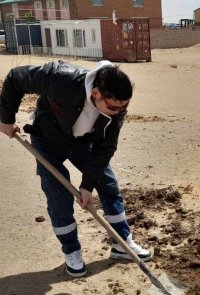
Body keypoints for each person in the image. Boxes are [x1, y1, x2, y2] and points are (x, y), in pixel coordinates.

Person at [0, 60, 152, 278]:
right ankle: (72, 251)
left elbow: (106, 147)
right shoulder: (60, 77)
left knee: (107, 183)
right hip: (48, 140)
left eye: (124, 107)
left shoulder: (116, 108)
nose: (119, 112)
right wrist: (6, 119)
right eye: (113, 107)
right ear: (96, 93)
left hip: (83, 142)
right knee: (58, 195)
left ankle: (122, 244)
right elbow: (15, 78)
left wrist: (87, 186)